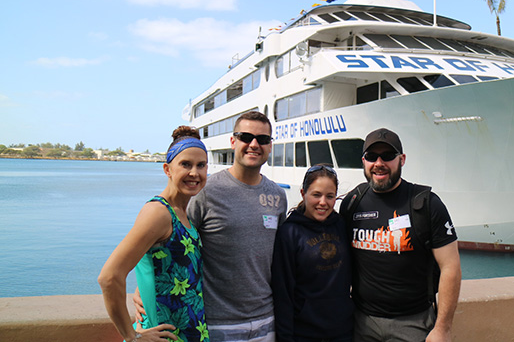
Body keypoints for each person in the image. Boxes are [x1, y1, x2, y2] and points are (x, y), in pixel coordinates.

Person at [135, 111, 287, 342]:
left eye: (263, 139)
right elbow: (168, 245)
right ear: (233, 141)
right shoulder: (204, 192)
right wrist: (142, 290)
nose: (254, 144)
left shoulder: (277, 195)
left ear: (270, 146)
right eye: (246, 137)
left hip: (267, 320)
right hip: (217, 322)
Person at [339, 128, 462, 342]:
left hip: (413, 324)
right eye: (371, 157)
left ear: (401, 159)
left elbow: (450, 266)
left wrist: (443, 328)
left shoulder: (426, 204)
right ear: (364, 161)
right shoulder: (352, 202)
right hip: (361, 323)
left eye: (387, 156)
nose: (379, 163)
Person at [99, 126, 209, 342]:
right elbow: (109, 277)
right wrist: (132, 337)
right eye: (185, 164)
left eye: (201, 165)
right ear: (167, 169)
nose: (194, 173)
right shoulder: (158, 212)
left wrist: (143, 286)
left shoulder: (182, 215)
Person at [272, 165, 353, 342]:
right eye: (316, 195)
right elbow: (283, 292)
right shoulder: (289, 232)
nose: (323, 202)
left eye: (330, 196)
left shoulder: (340, 225)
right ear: (303, 193)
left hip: (342, 331)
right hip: (304, 333)